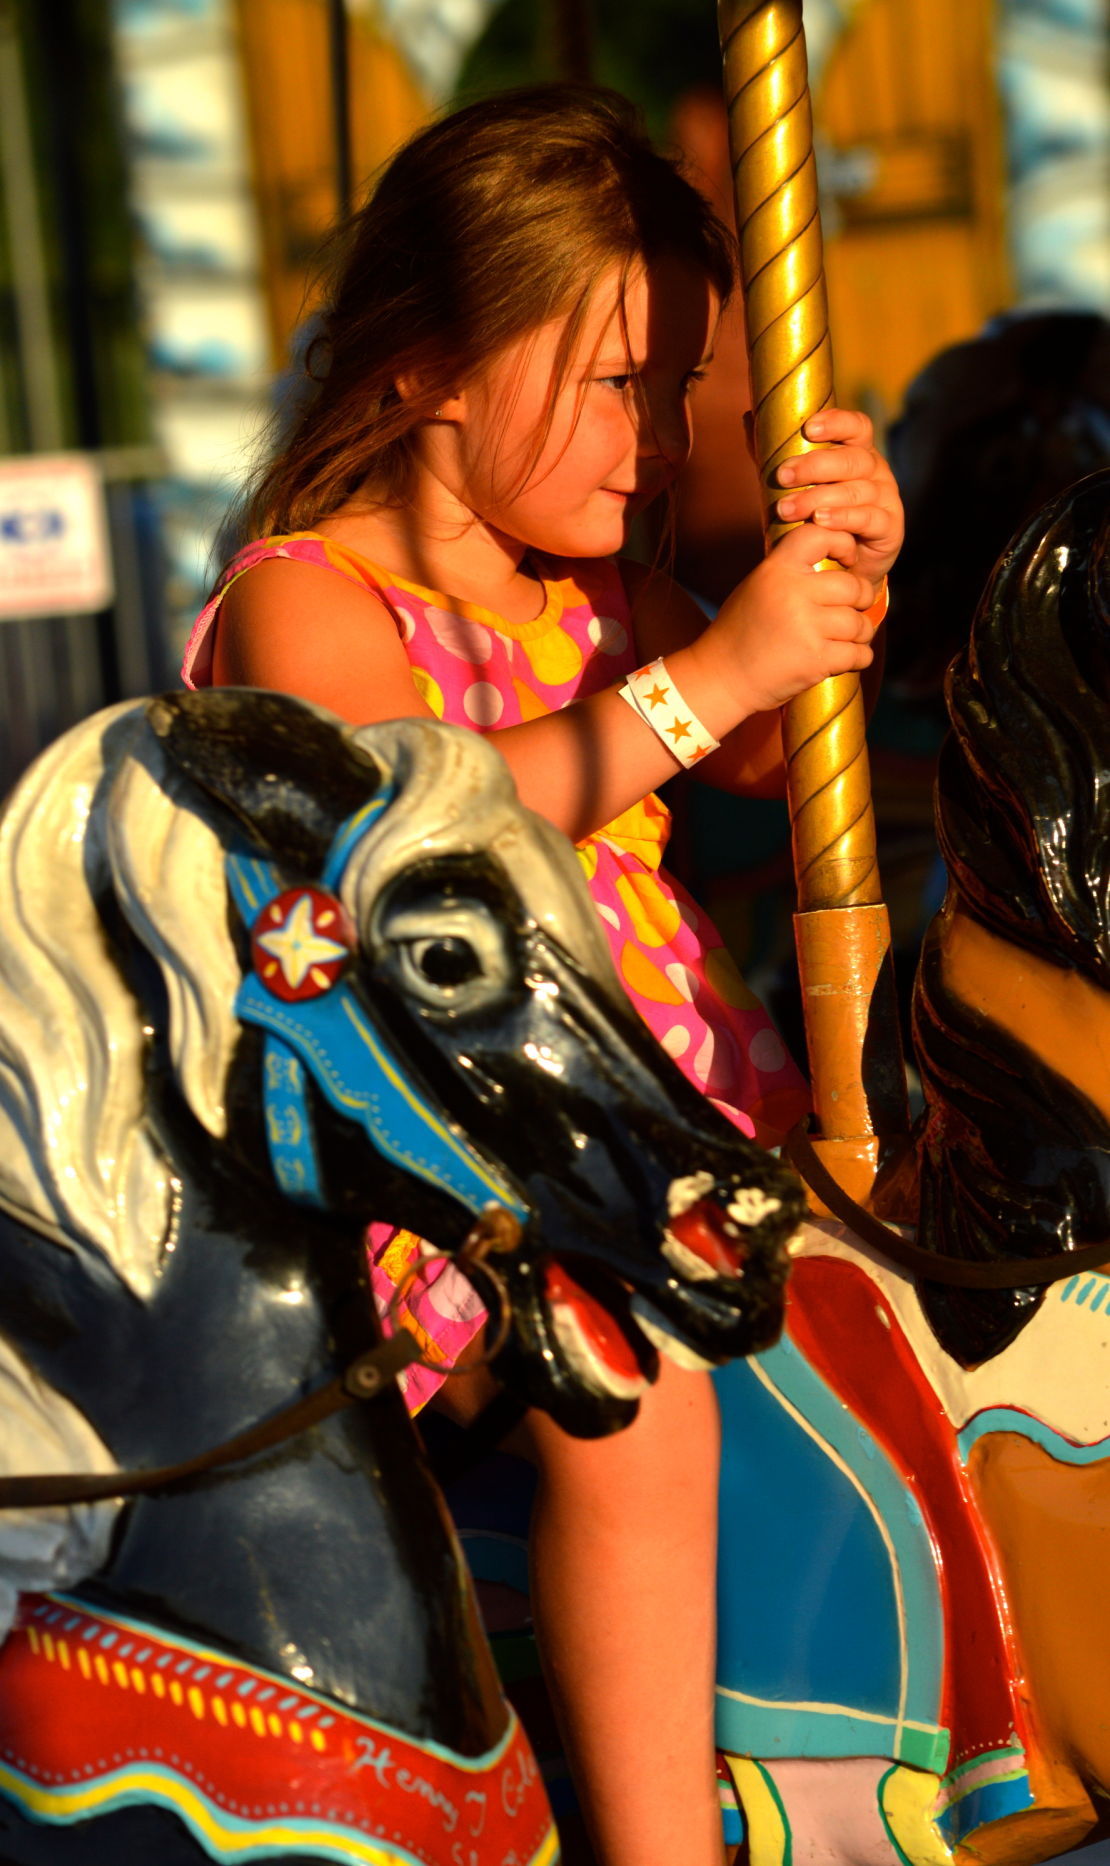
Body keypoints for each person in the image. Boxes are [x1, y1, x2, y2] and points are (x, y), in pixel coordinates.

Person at [182, 85, 903, 1866]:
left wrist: (836, 580)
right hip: (439, 1178)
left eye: (678, 391)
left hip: (683, 1141)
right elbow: (429, 846)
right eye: (611, 384)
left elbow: (750, 754)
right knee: (628, 1397)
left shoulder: (595, 595)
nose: (657, 440)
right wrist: (709, 675)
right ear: (425, 363)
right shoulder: (304, 607)